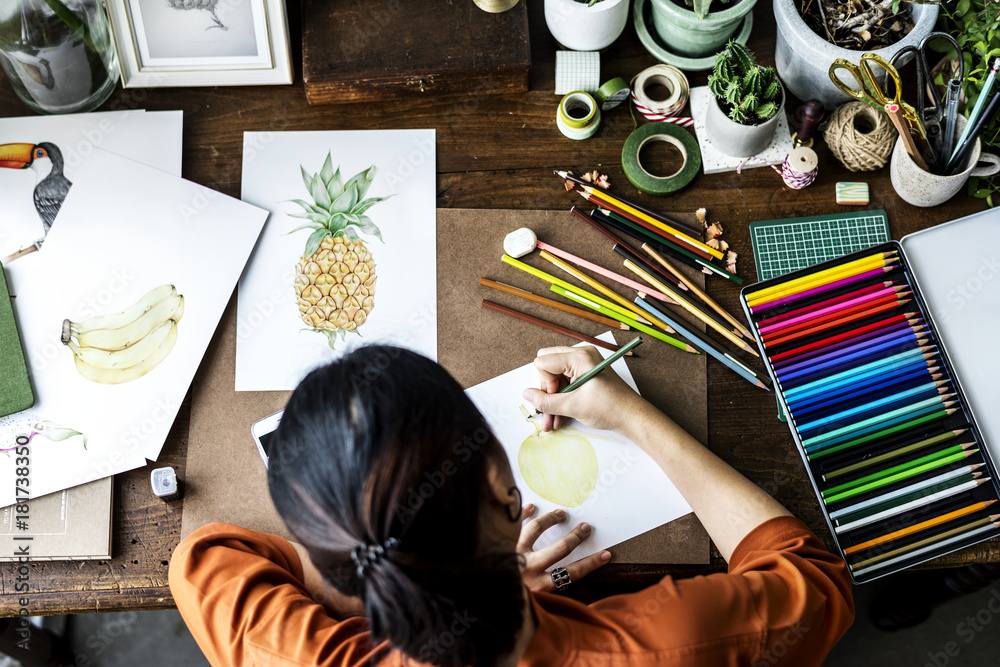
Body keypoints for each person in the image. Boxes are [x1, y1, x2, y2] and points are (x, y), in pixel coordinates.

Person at [170, 344, 854, 666]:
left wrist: (429, 580)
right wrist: (633, 416)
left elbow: (201, 559)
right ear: (508, 495)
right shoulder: (672, 640)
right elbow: (818, 580)